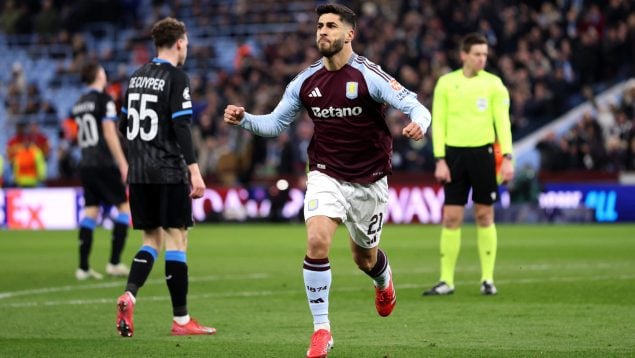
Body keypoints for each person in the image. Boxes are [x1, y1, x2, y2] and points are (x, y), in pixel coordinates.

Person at [224, 4, 430, 357]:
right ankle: (321, 330)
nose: (323, 31)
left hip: (369, 181)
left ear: (350, 34)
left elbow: (417, 107)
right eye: (320, 25)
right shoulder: (305, 81)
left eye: (331, 26)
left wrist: (418, 124)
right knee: (317, 241)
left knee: (364, 258)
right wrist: (245, 119)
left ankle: (384, 280)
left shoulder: (369, 75)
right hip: (325, 174)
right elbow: (275, 124)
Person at [115, 17, 215, 337]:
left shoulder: (136, 77)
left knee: (150, 240)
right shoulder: (176, 78)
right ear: (180, 43)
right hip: (168, 170)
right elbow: (182, 126)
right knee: (177, 238)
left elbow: (123, 125)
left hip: (139, 171)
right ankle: (182, 321)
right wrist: (194, 171)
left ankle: (129, 294)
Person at [423, 33, 514, 297]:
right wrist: (439, 159)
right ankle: (446, 281)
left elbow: (503, 123)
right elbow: (438, 123)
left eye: (485, 54)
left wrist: (507, 157)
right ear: (464, 55)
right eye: (477, 54)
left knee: (485, 214)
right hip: (453, 156)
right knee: (451, 217)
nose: (482, 59)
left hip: (484, 155)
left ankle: (487, 279)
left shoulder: (495, 84)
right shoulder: (446, 83)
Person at [72, 62, 131, 280]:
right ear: (98, 75)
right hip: (104, 163)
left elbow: (80, 137)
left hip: (86, 163)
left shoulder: (79, 103)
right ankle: (114, 263)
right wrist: (123, 163)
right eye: (103, 71)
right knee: (124, 209)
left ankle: (83, 267)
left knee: (90, 212)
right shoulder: (104, 100)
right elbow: (109, 133)